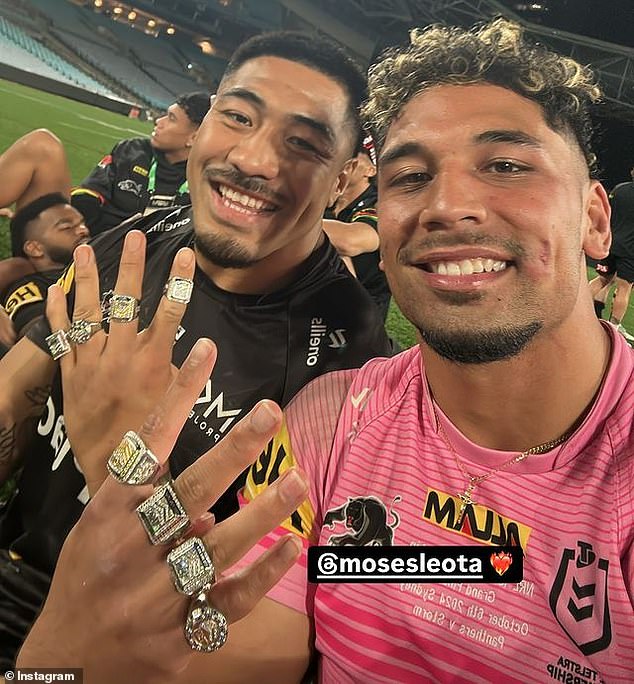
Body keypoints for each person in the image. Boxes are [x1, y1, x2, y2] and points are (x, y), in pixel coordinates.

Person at [16, 17, 634, 683]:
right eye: (411, 175)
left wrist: (120, 473)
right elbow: (228, 650)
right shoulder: (333, 421)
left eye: (506, 165)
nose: (449, 203)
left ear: (596, 219)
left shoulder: (332, 352)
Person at [0, 31, 393, 667]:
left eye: (303, 143)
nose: (255, 160)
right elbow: (18, 390)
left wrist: (122, 470)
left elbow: (251, 630)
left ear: (346, 178)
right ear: (204, 124)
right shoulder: (143, 239)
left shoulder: (345, 364)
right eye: (237, 116)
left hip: (123, 658)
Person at [70, 91, 212, 235]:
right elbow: (88, 194)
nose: (159, 121)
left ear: (194, 138)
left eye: (171, 118)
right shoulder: (131, 151)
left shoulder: (205, 180)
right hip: (102, 243)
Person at [0, 194, 90, 341]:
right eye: (67, 227)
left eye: (82, 223)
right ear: (35, 248)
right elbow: (39, 342)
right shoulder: (30, 288)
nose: (83, 230)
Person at [324, 135, 391, 319]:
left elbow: (350, 241)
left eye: (357, 154)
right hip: (321, 299)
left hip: (361, 316)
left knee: (336, 250)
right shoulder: (330, 197)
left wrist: (284, 219)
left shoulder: (379, 204)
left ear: (370, 170)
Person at [590, 165, 634, 340]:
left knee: (602, 279)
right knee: (624, 288)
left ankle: (578, 311)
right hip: (630, 250)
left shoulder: (619, 189)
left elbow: (608, 213)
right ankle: (614, 328)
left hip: (611, 243)